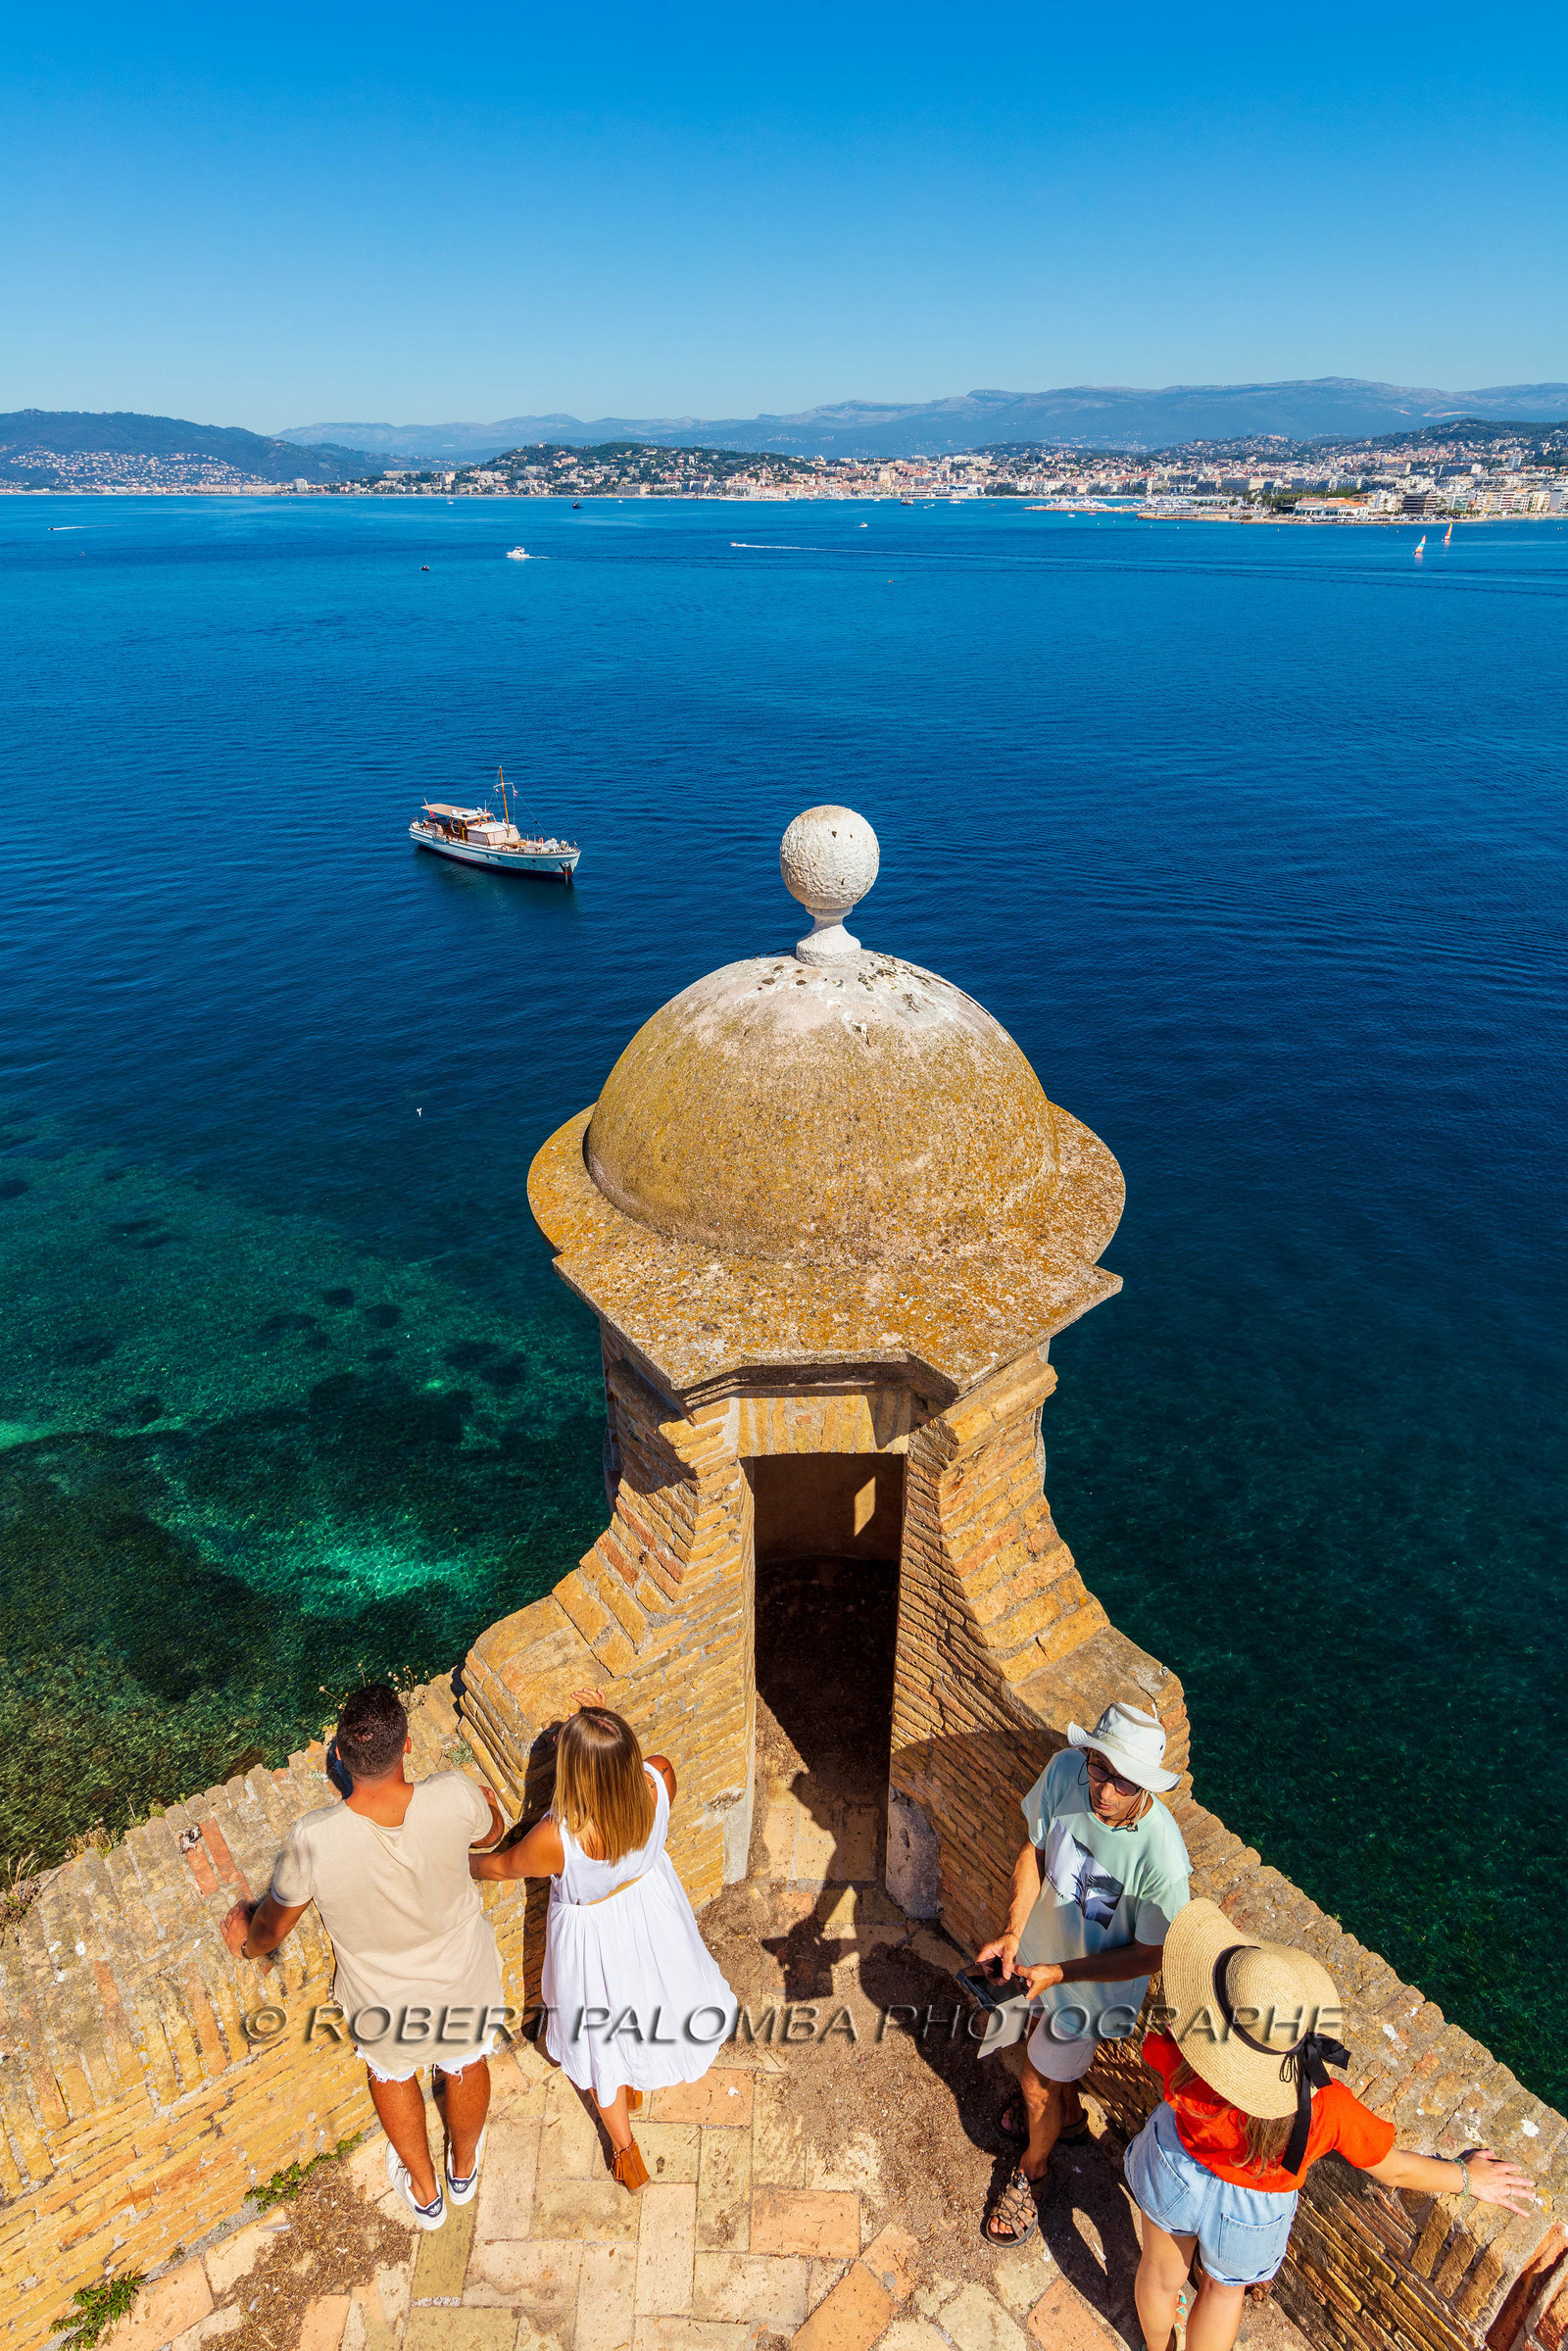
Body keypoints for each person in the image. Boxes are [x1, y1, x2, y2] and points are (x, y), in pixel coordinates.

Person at [1128, 1897, 1534, 2351]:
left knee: (1160, 2275)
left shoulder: (1190, 2052)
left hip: (1175, 2164)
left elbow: (1158, 2049)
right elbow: (1394, 2169)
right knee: (1223, 2293)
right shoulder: (1327, 2106)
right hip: (1251, 2211)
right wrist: (1466, 2177)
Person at [221, 1684, 508, 2232]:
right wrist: (486, 1806)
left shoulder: (314, 1838)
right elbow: (490, 1833)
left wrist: (245, 1943)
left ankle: (425, 2194)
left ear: (341, 1757)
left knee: (393, 2074)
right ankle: (463, 2169)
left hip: (383, 2001)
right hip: (464, 1979)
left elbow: (272, 1928)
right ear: (407, 1745)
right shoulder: (453, 1793)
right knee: (468, 2060)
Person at [471, 1688, 736, 2190]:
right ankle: (636, 2088)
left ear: (573, 1773)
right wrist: (598, 1723)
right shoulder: (659, 1778)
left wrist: (458, 1861)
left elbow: (501, 1867)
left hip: (594, 1944)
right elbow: (625, 1777)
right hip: (654, 1919)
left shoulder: (559, 1838)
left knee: (602, 2049)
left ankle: (627, 2154)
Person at [976, 1702, 1192, 2248]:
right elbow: (1035, 1850)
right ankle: (1065, 2120)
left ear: (1146, 1787)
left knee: (1034, 2082)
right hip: (1037, 1964)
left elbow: (1150, 1954)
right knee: (1043, 2074)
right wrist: (1014, 1933)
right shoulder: (1065, 1771)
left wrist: (1061, 1972)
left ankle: (1034, 2172)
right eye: (1099, 1768)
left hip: (1088, 1997)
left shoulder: (1163, 1860)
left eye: (1124, 1782)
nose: (1104, 1791)